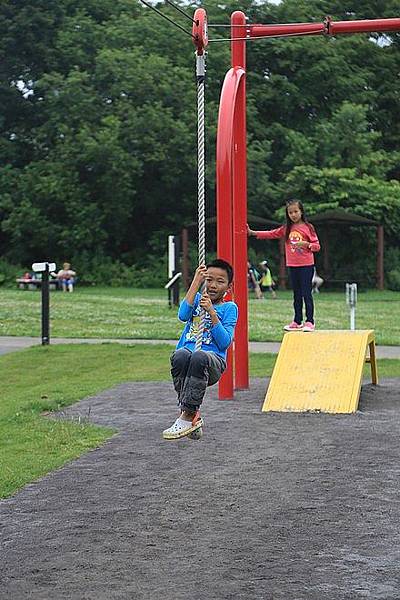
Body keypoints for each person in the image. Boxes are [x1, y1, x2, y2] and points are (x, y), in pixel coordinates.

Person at [163, 258, 238, 440]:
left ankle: (187, 415)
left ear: (229, 287)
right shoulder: (196, 299)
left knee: (199, 356)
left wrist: (212, 313)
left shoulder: (229, 308)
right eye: (209, 279)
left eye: (220, 282)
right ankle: (191, 414)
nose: (213, 285)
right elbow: (182, 315)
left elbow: (224, 342)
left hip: (211, 363)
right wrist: (196, 282)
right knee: (180, 355)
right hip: (188, 359)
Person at [247, 199, 320, 331]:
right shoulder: (287, 228)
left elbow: (317, 246)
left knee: (306, 293)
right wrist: (253, 233)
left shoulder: (308, 227)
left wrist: (307, 245)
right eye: (290, 212)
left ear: (301, 211)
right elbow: (272, 233)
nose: (293, 215)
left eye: (296, 211)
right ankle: (297, 321)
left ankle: (310, 321)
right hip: (293, 265)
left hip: (306, 265)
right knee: (296, 294)